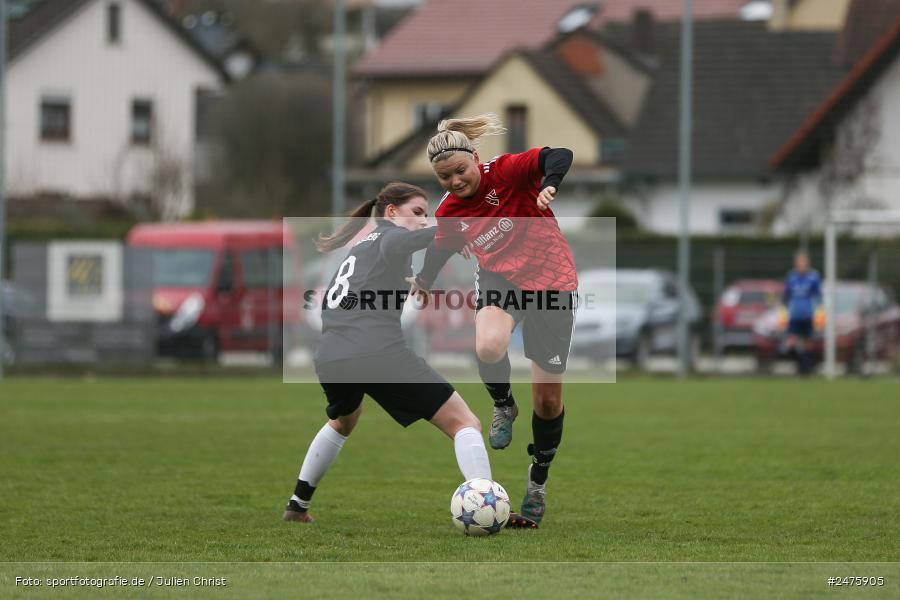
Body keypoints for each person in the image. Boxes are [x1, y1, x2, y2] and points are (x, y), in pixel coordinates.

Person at [284, 181, 535, 528]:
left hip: (331, 356)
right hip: (377, 353)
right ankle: (488, 505)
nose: (422, 219)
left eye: (426, 214)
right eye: (417, 212)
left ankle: (297, 504)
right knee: (466, 423)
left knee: (344, 420)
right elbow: (409, 239)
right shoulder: (389, 236)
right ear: (390, 212)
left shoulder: (361, 249)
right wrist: (457, 228)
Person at [408, 114, 577, 526]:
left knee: (549, 402)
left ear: (475, 159)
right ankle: (504, 405)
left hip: (552, 281)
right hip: (502, 280)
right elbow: (441, 247)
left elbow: (561, 154)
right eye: (444, 177)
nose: (454, 182)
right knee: (487, 344)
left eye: (460, 171)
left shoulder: (506, 171)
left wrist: (551, 183)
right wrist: (426, 280)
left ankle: (537, 482)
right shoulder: (451, 210)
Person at [782, 251, 822, 376]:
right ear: (796, 263)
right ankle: (800, 365)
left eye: (804, 262)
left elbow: (818, 296)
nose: (802, 264)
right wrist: (784, 309)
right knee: (791, 343)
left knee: (808, 343)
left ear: (808, 263)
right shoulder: (791, 277)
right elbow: (786, 296)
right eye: (799, 262)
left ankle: (806, 369)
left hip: (808, 315)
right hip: (794, 315)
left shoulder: (813, 277)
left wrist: (819, 311)